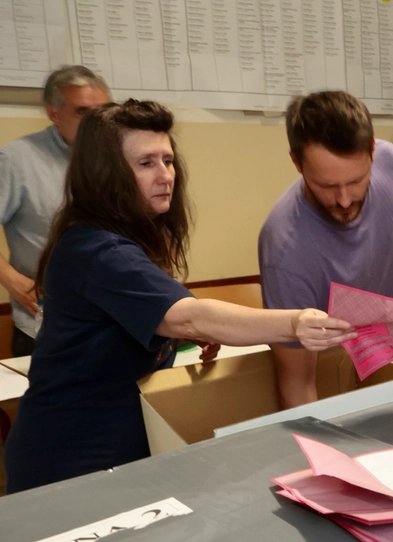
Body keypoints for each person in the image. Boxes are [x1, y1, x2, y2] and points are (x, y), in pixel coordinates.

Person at [5, 100, 356, 492]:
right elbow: (189, 314)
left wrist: (180, 333)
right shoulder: (95, 248)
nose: (165, 175)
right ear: (106, 174)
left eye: (167, 160)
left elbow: (137, 320)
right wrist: (294, 323)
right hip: (70, 459)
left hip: (121, 448)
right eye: (145, 163)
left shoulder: (128, 239)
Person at [259, 91, 393, 409]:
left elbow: (392, 216)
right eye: (327, 186)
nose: (345, 200)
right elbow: (297, 383)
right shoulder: (284, 251)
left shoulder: (388, 160)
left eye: (358, 181)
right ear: (296, 161)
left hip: (384, 355)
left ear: (372, 150)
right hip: (331, 385)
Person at [0, 65, 111, 356]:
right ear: (54, 113)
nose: (96, 123)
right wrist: (12, 280)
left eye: (103, 111)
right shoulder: (16, 160)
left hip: (111, 323)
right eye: (82, 112)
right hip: (47, 328)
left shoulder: (120, 157)